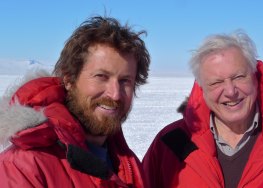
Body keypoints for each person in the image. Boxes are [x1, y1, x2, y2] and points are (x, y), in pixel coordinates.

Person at [142, 31, 263, 187]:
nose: (230, 91)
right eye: (216, 82)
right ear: (202, 89)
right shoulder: (170, 144)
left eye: (239, 77)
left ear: (255, 78)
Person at [0, 15, 150, 187]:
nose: (115, 94)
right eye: (101, 76)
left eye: (125, 81)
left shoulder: (128, 166)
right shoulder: (23, 168)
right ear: (69, 80)